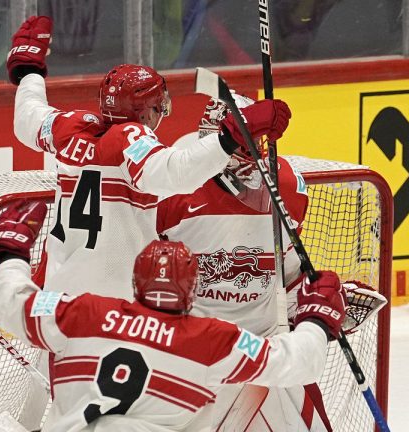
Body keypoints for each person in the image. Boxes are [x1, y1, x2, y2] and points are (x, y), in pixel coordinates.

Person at [0, 199, 347, 432]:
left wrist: (10, 253)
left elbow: (4, 300)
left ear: (135, 281)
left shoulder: (82, 312)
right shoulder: (213, 340)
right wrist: (316, 319)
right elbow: (298, 362)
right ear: (192, 290)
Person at [7, 15, 291, 299]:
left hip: (59, 297)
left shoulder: (66, 128)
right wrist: (231, 136)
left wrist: (29, 70)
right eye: (159, 107)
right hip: (115, 304)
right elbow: (177, 172)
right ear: (145, 112)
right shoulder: (132, 140)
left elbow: (27, 116)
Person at [158, 95, 386, 431]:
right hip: (195, 362)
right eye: (240, 147)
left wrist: (319, 304)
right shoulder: (171, 191)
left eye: (257, 146)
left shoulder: (287, 188)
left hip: (269, 352)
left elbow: (285, 273)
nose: (252, 159)